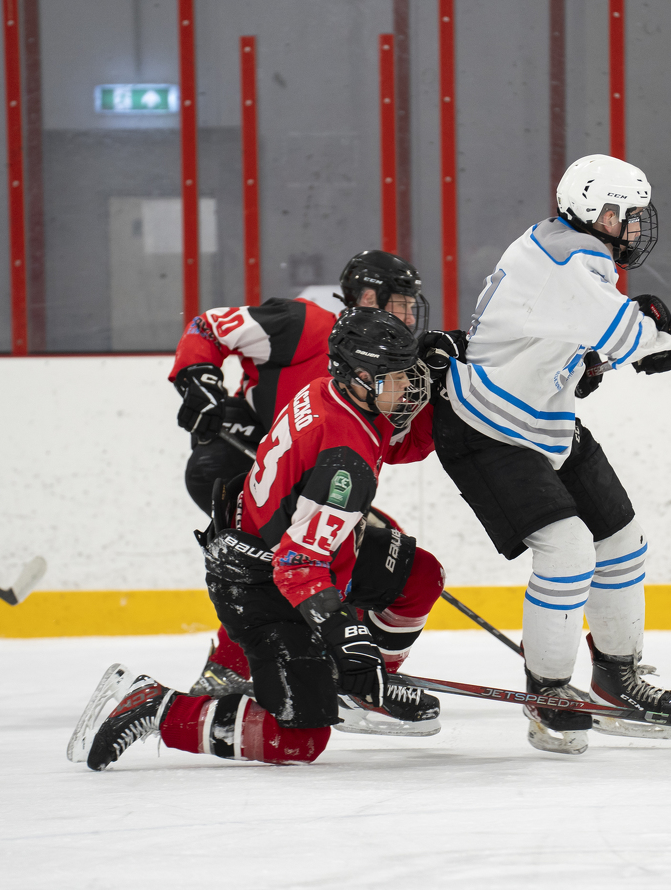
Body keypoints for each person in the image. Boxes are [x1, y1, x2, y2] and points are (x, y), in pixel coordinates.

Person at [73, 309, 446, 769]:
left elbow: (397, 442)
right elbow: (297, 566)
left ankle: (362, 688)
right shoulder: (344, 463)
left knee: (420, 575)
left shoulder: (329, 393)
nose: (409, 388)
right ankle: (156, 706)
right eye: (398, 378)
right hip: (264, 589)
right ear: (361, 377)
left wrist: (449, 403)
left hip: (291, 553)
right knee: (298, 742)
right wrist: (343, 634)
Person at [422, 154, 671, 755]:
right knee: (567, 550)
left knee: (622, 541)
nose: (634, 226)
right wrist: (660, 336)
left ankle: (616, 681)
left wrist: (589, 360)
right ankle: (548, 696)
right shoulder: (572, 256)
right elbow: (628, 336)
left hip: (544, 421)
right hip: (487, 424)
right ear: (595, 210)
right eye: (626, 214)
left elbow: (577, 336)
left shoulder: (565, 246)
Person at [168, 251, 427, 708]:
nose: (410, 315)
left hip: (299, 469)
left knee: (370, 546)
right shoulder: (304, 323)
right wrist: (198, 377)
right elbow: (209, 326)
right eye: (402, 302)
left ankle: (344, 666)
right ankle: (236, 667)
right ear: (370, 297)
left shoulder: (383, 362)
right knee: (295, 564)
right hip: (234, 460)